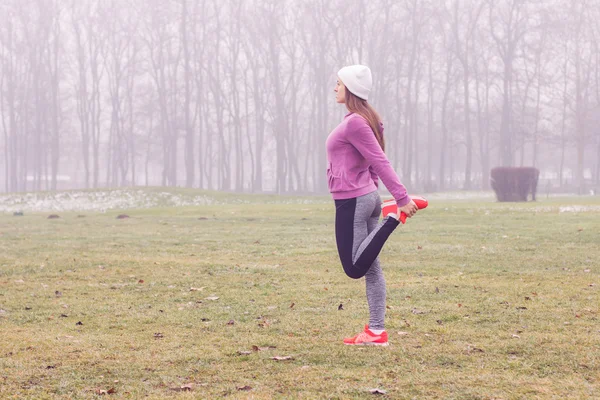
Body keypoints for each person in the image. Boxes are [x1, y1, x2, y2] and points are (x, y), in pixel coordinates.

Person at [327, 64, 418, 346]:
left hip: (353, 202)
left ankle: (391, 219)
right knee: (371, 268)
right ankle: (376, 332)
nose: (335, 88)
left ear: (350, 88)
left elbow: (379, 160)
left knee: (354, 268)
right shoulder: (366, 119)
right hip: (365, 198)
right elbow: (373, 159)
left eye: (339, 83)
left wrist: (401, 200)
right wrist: (375, 191)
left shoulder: (355, 122)